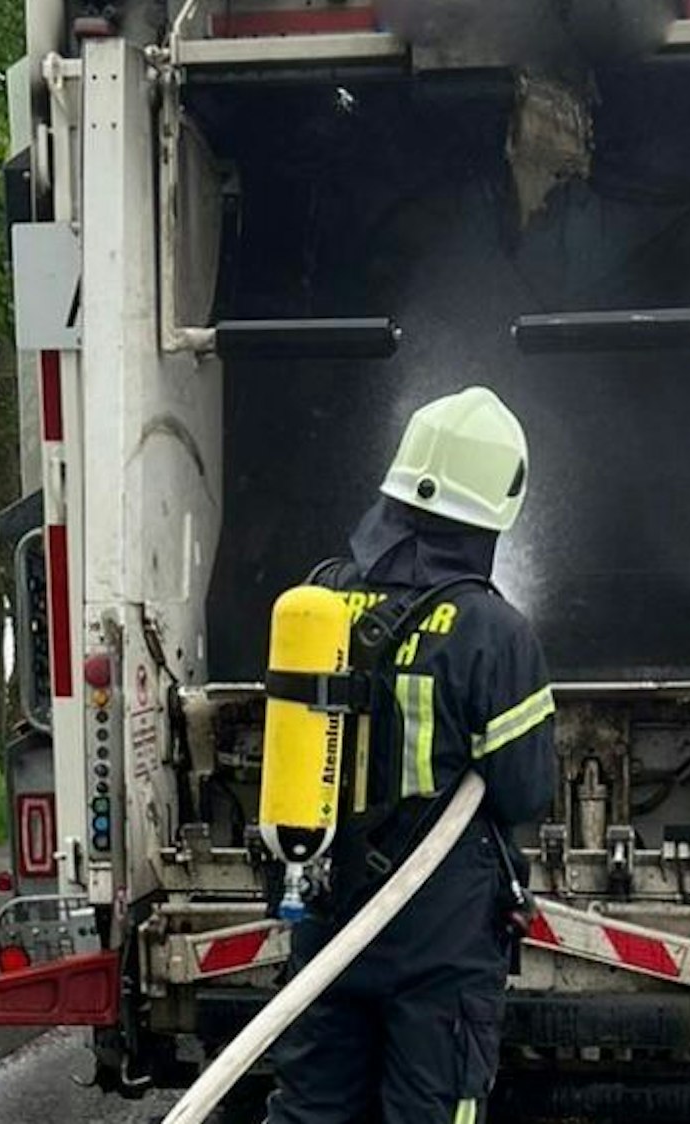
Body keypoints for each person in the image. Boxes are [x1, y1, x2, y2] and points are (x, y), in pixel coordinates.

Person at [268, 386, 557, 1124]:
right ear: (499, 500)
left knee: (311, 1112)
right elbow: (522, 792)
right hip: (440, 941)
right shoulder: (493, 630)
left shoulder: (320, 596)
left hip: (326, 918)